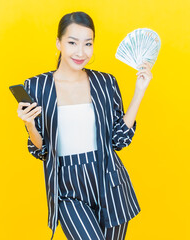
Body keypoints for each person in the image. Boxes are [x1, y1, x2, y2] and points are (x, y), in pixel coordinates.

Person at [17, 11, 153, 240]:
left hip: (110, 181)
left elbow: (119, 140)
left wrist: (139, 91)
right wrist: (30, 125)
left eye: (88, 44)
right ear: (59, 43)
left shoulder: (105, 82)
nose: (81, 52)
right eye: (72, 43)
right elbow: (42, 150)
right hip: (67, 185)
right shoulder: (37, 87)